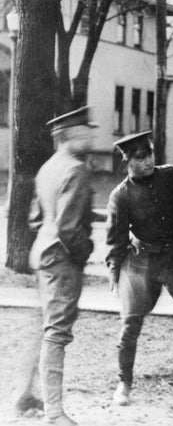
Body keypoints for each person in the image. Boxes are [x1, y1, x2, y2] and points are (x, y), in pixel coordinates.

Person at [105, 130, 173, 406]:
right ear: (127, 161)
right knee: (130, 324)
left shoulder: (168, 176)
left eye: (150, 155)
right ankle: (124, 383)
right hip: (143, 263)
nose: (148, 162)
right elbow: (115, 241)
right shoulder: (121, 196)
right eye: (140, 158)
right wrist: (114, 273)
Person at [28, 106, 98, 426]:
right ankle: (54, 412)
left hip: (43, 255)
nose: (90, 135)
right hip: (62, 258)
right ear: (66, 136)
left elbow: (35, 219)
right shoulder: (76, 169)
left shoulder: (47, 168)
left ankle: (31, 397)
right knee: (56, 333)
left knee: (48, 330)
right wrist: (86, 252)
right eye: (84, 131)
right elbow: (69, 229)